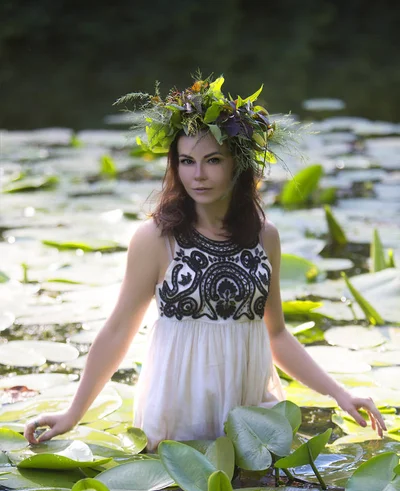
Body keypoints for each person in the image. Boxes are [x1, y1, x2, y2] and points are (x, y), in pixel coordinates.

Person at [24, 75, 386, 449]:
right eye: (187, 161)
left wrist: (340, 394)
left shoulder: (265, 236)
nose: (198, 175)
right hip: (178, 417)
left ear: (239, 164)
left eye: (213, 160)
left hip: (248, 414)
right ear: (175, 166)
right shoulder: (156, 239)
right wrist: (73, 413)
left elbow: (275, 334)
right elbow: (118, 331)